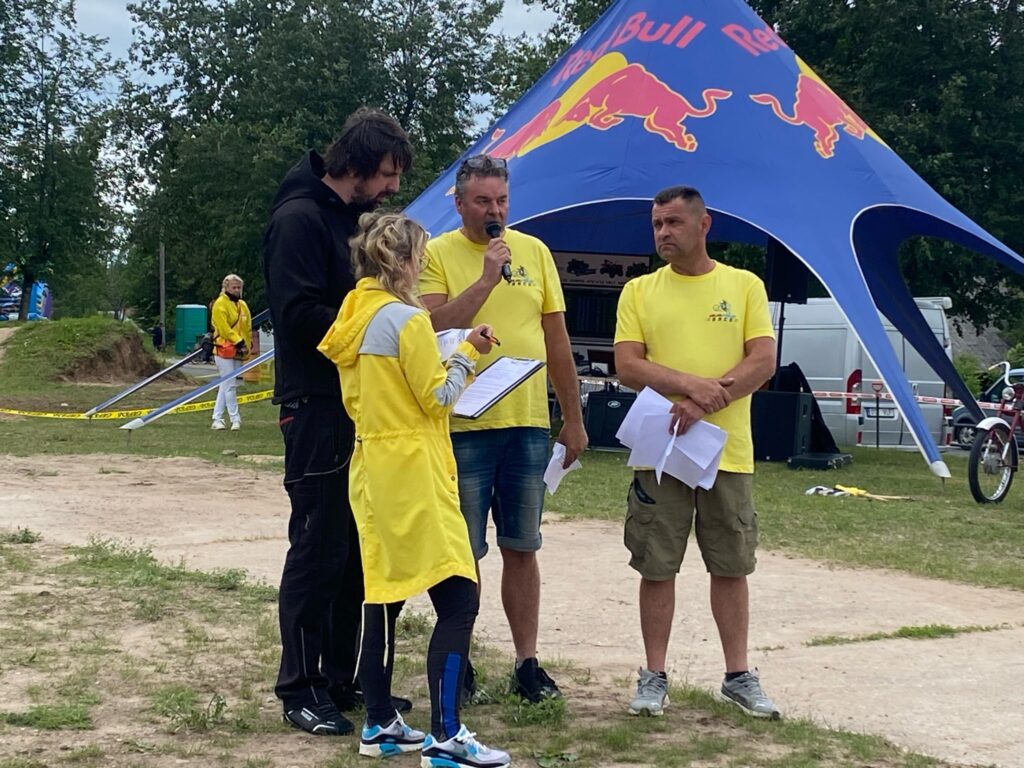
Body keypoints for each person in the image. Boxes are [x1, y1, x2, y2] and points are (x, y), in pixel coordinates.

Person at [319, 211, 510, 767]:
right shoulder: (407, 320)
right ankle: (447, 736)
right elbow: (437, 398)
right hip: (414, 467)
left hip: (371, 465)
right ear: (402, 262)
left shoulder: (353, 313)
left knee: (384, 594)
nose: (422, 267)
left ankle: (379, 722)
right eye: (420, 259)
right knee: (459, 595)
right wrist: (468, 354)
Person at [262, 107, 413, 736]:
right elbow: (297, 315)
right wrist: (376, 334)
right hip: (317, 406)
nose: (392, 188)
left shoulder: (355, 222)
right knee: (318, 548)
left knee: (357, 551)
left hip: (362, 407)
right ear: (356, 163)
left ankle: (343, 678)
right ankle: (299, 686)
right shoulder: (298, 219)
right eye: (387, 174)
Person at [419, 154, 587, 703]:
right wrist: (487, 279)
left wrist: (573, 418)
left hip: (528, 425)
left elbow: (556, 339)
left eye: (502, 201)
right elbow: (428, 326)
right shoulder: (435, 254)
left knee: (523, 545)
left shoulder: (534, 252)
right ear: (459, 203)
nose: (494, 211)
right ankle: (459, 660)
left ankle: (526, 663)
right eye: (482, 201)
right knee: (462, 551)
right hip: (462, 424)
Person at [613, 185, 781, 719]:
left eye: (673, 223)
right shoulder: (639, 290)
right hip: (660, 450)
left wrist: (706, 403)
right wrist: (690, 388)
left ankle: (738, 675)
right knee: (656, 564)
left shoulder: (744, 285)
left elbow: (763, 361)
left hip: (727, 452)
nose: (663, 233)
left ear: (704, 225)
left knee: (731, 564)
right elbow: (628, 364)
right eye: (657, 224)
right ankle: (653, 676)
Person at [210, 274, 252, 431]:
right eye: (234, 287)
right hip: (224, 348)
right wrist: (238, 341)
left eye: (239, 287)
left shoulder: (242, 305)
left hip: (239, 350)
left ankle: (217, 418)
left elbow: (247, 327)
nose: (236, 290)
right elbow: (223, 328)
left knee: (226, 384)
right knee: (230, 385)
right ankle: (235, 418)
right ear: (226, 287)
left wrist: (247, 344)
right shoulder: (220, 304)